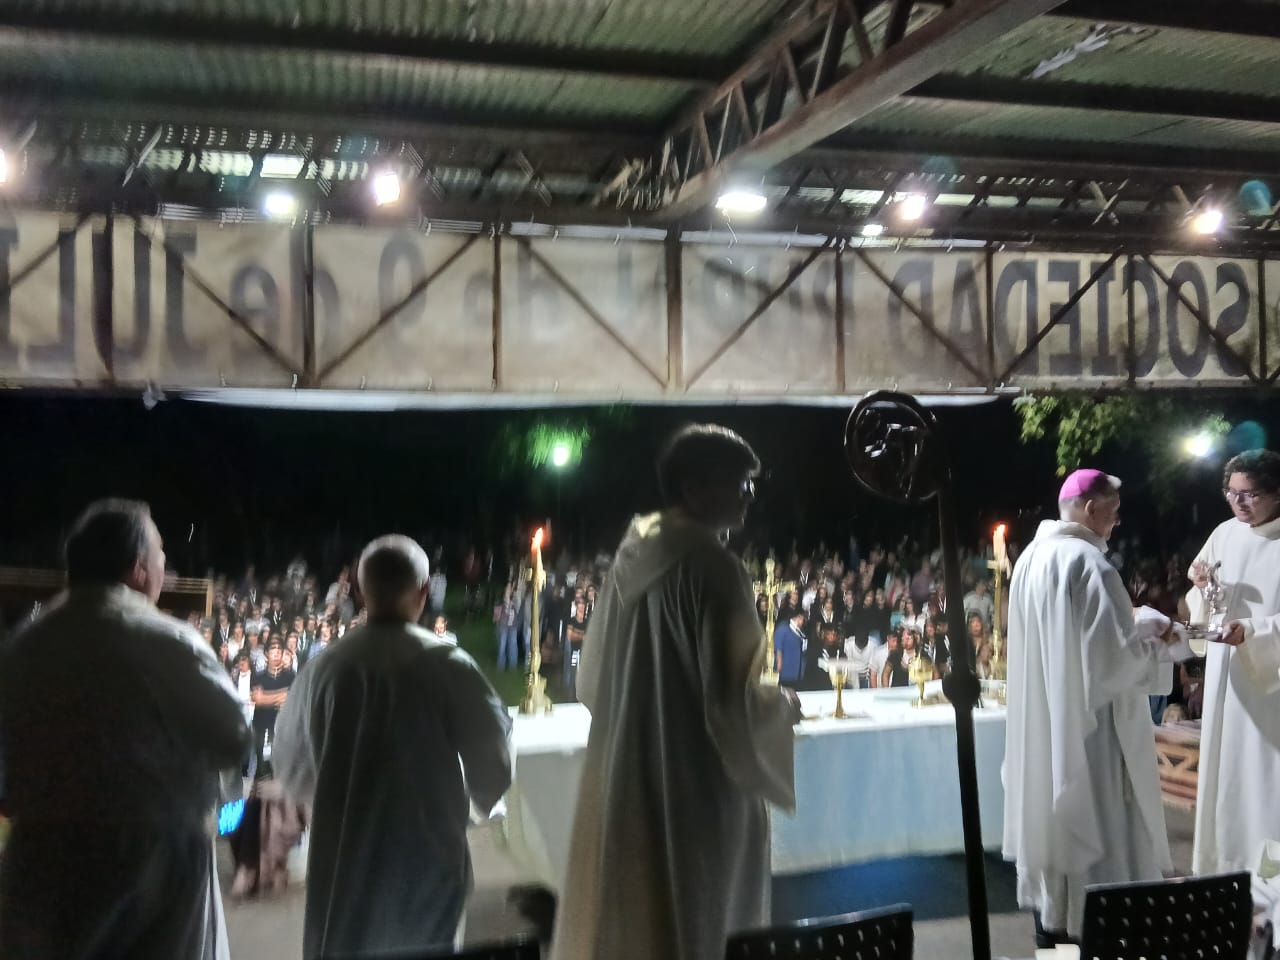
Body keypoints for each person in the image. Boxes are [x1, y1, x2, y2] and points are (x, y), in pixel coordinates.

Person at [553, 425, 799, 960]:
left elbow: (591, 679)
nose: (749, 495)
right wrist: (780, 708)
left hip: (630, 770)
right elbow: (728, 705)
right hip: (697, 786)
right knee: (703, 920)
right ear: (692, 487)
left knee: (640, 919)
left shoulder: (630, 559)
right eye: (739, 482)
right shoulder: (714, 568)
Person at [0, 499, 250, 960]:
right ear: (139, 569)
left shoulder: (26, 645)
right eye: (161, 555)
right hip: (150, 859)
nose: (165, 566)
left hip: (41, 858)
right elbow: (232, 737)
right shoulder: (166, 640)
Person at [273, 535, 512, 960]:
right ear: (423, 593)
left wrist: (330, 799)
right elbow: (493, 757)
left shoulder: (322, 670)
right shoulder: (447, 664)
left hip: (343, 855)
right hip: (426, 858)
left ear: (359, 591)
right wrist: (476, 803)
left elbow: (290, 764)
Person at [1003, 469, 1192, 946]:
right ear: (1091, 508)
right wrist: (1162, 642)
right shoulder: (1091, 565)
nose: (1118, 520)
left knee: (1057, 838)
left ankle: (1054, 936)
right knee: (1101, 840)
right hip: (1093, 736)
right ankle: (1098, 937)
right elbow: (1111, 666)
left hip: (1050, 719)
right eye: (1114, 511)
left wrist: (1133, 628)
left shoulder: (1030, 559)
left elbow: (1076, 643)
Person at [1186, 449, 1280, 877]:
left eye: (1250, 494)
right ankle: (1224, 869)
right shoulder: (1224, 533)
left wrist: (1254, 632)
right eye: (1231, 492)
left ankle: (1268, 877)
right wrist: (1203, 588)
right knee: (1225, 773)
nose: (1239, 503)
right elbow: (1207, 603)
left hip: (1269, 684)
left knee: (1264, 777)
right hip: (1227, 678)